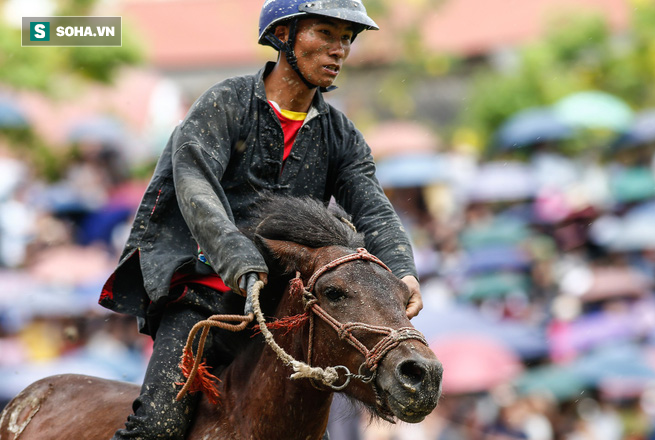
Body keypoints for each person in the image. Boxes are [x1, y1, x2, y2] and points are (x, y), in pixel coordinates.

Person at [99, 0, 423, 438]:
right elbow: (196, 189)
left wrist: (403, 269)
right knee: (156, 428)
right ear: (284, 35)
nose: (339, 50)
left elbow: (373, 207)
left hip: (287, 315)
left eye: (346, 39)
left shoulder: (342, 134)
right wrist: (240, 261)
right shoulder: (224, 103)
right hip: (204, 305)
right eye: (325, 34)